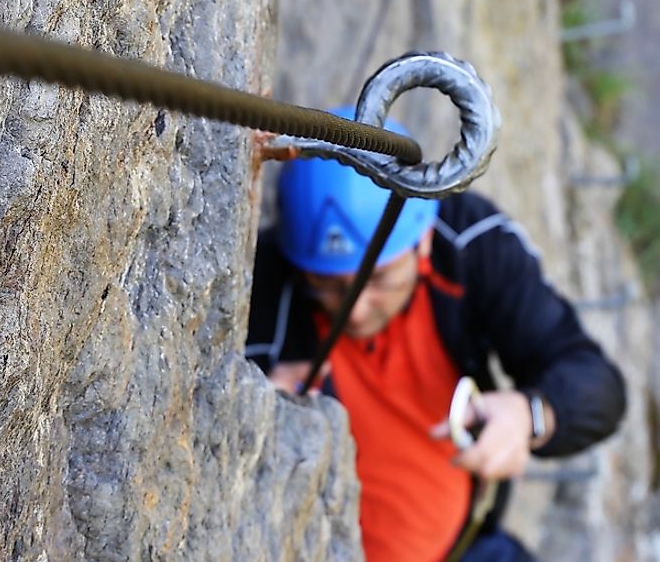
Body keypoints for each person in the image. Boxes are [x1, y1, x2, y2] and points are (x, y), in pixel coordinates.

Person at [245, 109, 627, 562]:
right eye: (328, 285)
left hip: (470, 550)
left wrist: (531, 414)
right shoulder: (259, 288)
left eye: (381, 278)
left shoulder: (468, 247)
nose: (356, 308)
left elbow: (596, 385)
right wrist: (253, 411)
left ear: (421, 240)